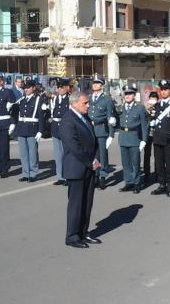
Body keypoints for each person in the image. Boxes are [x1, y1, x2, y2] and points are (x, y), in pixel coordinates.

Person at [62, 92, 102, 249]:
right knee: (76, 203)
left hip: (89, 167)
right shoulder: (67, 121)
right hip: (76, 167)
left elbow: (94, 140)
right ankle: (72, 235)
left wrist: (96, 158)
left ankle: (83, 232)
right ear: (74, 104)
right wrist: (90, 161)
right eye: (85, 103)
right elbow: (74, 147)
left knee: (87, 202)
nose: (88, 105)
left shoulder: (84, 118)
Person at [150, 79, 170, 197]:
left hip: (169, 138)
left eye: (165, 90)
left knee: (169, 163)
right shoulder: (157, 105)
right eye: (162, 90)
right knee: (159, 163)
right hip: (158, 137)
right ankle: (162, 184)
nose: (163, 92)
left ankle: (169, 184)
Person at [116, 83, 148, 194]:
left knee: (136, 163)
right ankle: (128, 182)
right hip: (123, 138)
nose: (127, 96)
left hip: (134, 138)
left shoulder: (139, 108)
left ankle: (137, 183)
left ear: (134, 95)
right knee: (126, 163)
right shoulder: (120, 107)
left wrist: (144, 140)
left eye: (130, 93)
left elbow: (144, 125)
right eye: (126, 94)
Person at [88, 74, 116, 190]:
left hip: (101, 129)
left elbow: (111, 119)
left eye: (97, 83)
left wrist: (111, 135)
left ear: (102, 86)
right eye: (94, 83)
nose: (95, 85)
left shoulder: (107, 100)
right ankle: (95, 175)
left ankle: (103, 177)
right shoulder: (88, 99)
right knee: (92, 154)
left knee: (103, 155)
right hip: (90, 129)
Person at [16, 79, 46, 182]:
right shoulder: (22, 100)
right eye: (24, 88)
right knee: (23, 153)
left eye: (28, 87)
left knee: (32, 153)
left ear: (33, 88)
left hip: (33, 128)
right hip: (22, 128)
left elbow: (42, 117)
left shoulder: (39, 100)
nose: (26, 89)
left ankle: (33, 173)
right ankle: (26, 173)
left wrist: (40, 131)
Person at [51, 78, 71, 186]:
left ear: (67, 88)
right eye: (58, 87)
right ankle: (60, 176)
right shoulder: (54, 99)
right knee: (58, 155)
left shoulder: (70, 99)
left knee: (66, 154)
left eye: (62, 87)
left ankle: (68, 176)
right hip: (55, 128)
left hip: (66, 128)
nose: (59, 89)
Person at [142, 91, 159, 187]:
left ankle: (157, 174)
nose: (153, 99)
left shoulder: (159, 107)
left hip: (156, 133)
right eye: (151, 97)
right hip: (148, 133)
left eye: (155, 98)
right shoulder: (145, 106)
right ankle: (147, 174)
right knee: (147, 154)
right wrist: (147, 108)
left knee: (157, 155)